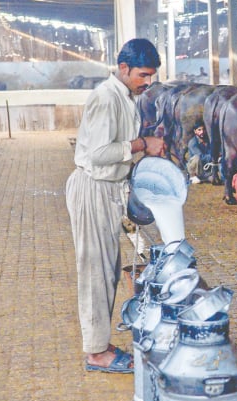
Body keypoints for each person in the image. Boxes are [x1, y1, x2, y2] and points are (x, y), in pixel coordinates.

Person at [66, 38, 166, 374]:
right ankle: (96, 354)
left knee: (107, 271)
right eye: (143, 74)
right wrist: (142, 144)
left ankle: (100, 343)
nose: (147, 81)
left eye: (151, 75)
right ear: (123, 68)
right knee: (96, 272)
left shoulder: (125, 97)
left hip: (108, 189)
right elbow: (98, 154)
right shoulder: (106, 98)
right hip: (94, 187)